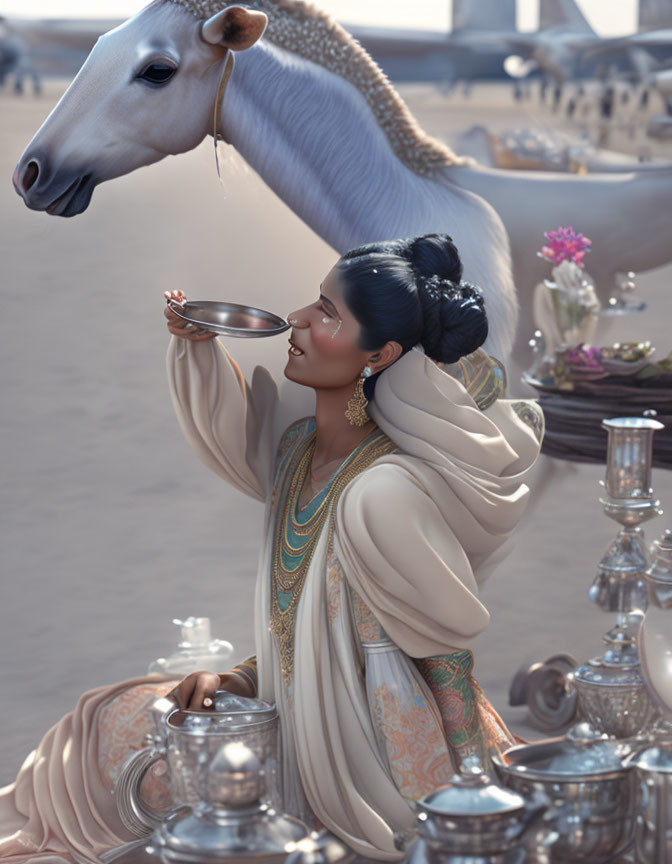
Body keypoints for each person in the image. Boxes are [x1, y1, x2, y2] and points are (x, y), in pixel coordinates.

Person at [163, 233, 544, 858]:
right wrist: (234, 679)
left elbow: (441, 663)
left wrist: (474, 801)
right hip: (290, 759)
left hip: (382, 782)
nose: (298, 319)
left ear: (381, 353)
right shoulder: (294, 453)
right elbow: (308, 640)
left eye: (328, 314)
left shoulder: (385, 490)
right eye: (315, 301)